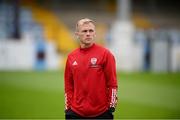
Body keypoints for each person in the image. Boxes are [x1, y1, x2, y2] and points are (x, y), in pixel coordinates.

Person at [64, 18, 118, 119]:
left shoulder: (105, 54)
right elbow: (68, 85)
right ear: (77, 34)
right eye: (84, 31)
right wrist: (68, 107)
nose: (88, 34)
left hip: (101, 113)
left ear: (95, 33)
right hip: (75, 113)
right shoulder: (71, 57)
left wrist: (111, 106)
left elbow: (112, 83)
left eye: (91, 31)